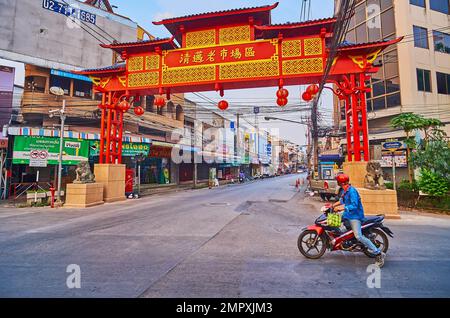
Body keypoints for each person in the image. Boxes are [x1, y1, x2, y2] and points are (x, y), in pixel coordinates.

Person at [332, 174, 386, 267]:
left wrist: (341, 209)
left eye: (338, 182)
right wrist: (332, 205)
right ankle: (344, 238)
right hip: (348, 215)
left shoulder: (352, 191)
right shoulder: (346, 190)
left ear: (341, 183)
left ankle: (378, 254)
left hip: (355, 216)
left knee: (359, 236)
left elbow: (354, 205)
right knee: (333, 220)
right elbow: (342, 201)